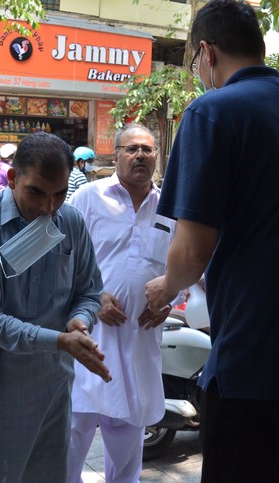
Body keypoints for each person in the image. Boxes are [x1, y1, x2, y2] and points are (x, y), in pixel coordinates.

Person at [144, 1, 279, 481]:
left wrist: (165, 287)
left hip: (261, 351)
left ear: (207, 52)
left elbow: (191, 252)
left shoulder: (211, 113)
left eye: (196, 63)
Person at [0, 131, 112, 483]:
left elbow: (89, 290)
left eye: (60, 194)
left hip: (50, 385)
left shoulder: (71, 221)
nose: (48, 207)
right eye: (36, 192)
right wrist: (60, 341)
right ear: (13, 178)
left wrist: (79, 321)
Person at [67, 124, 176, 482]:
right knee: (71, 439)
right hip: (89, 339)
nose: (140, 155)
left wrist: (170, 299)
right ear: (116, 155)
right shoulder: (89, 197)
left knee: (128, 451)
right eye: (131, 149)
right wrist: (92, 296)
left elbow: (179, 266)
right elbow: (61, 256)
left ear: (157, 156)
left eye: (147, 149)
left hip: (139, 344)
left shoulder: (170, 207)